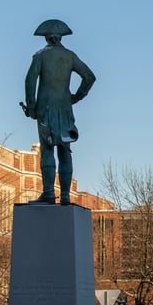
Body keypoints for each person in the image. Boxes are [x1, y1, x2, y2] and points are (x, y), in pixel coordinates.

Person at [23, 19, 96, 205]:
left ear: (47, 38)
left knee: (47, 150)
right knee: (65, 149)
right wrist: (76, 97)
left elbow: (30, 81)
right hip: (64, 108)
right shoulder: (70, 56)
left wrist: (31, 107)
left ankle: (48, 192)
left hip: (45, 109)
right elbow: (89, 77)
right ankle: (64, 195)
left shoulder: (40, 56)